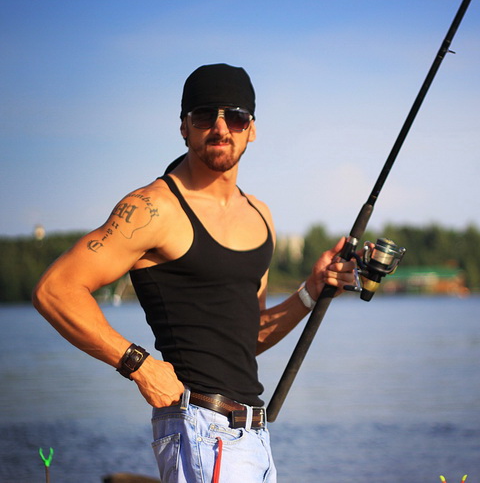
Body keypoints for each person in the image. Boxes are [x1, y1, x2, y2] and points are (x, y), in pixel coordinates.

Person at [32, 63, 356, 482]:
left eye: (235, 116)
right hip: (200, 429)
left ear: (251, 129)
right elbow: (55, 290)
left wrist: (310, 292)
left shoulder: (259, 215)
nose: (221, 128)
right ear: (184, 127)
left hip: (253, 437)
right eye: (205, 115)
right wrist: (139, 365)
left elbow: (247, 338)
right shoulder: (153, 208)